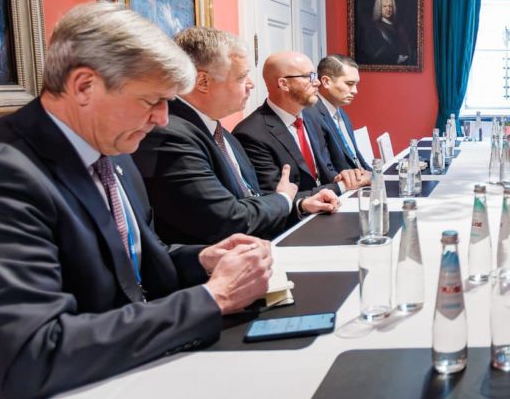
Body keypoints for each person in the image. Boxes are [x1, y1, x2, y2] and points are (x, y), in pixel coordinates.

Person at [0, 2, 272, 399]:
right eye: (151, 101)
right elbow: (32, 351)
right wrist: (211, 298)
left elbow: (132, 265)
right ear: (84, 86)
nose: (162, 120)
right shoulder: (11, 173)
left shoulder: (114, 150)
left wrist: (201, 259)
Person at [133, 28, 339, 245]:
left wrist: (299, 204)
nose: (251, 84)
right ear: (203, 82)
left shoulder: (223, 135)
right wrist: (284, 200)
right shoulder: (170, 136)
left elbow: (252, 199)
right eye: (241, 77)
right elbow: (226, 218)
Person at [234, 51, 365, 196]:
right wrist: (341, 186)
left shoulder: (313, 115)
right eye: (309, 76)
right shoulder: (251, 133)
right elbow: (275, 198)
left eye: (315, 75)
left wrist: (342, 177)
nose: (317, 82)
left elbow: (326, 170)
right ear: (284, 84)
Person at [310, 53, 371, 173]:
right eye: (349, 84)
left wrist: (374, 175)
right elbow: (327, 170)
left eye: (356, 85)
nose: (355, 91)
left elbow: (356, 157)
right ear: (326, 82)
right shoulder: (312, 116)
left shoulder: (341, 113)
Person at [362, 0, 412, 66]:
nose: (388, 9)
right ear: (379, 8)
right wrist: (396, 57)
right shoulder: (374, 28)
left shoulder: (398, 26)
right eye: (384, 6)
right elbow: (377, 52)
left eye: (390, 6)